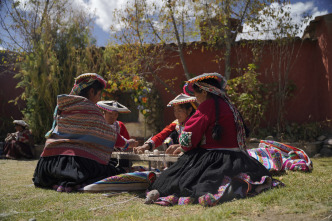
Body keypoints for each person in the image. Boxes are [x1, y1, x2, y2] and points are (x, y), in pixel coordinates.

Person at [145, 73, 282, 206]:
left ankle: (160, 190)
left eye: (196, 94)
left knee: (180, 175)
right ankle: (235, 187)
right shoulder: (228, 104)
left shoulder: (208, 105)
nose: (196, 98)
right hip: (238, 157)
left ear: (204, 92)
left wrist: (184, 147)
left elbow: (189, 135)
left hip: (215, 157)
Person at [32, 73, 137, 192]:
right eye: (99, 94)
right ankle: (70, 182)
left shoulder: (65, 106)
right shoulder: (90, 109)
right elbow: (108, 134)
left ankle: (57, 182)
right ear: (92, 92)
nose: (99, 99)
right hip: (75, 162)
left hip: (48, 163)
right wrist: (127, 143)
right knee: (110, 170)